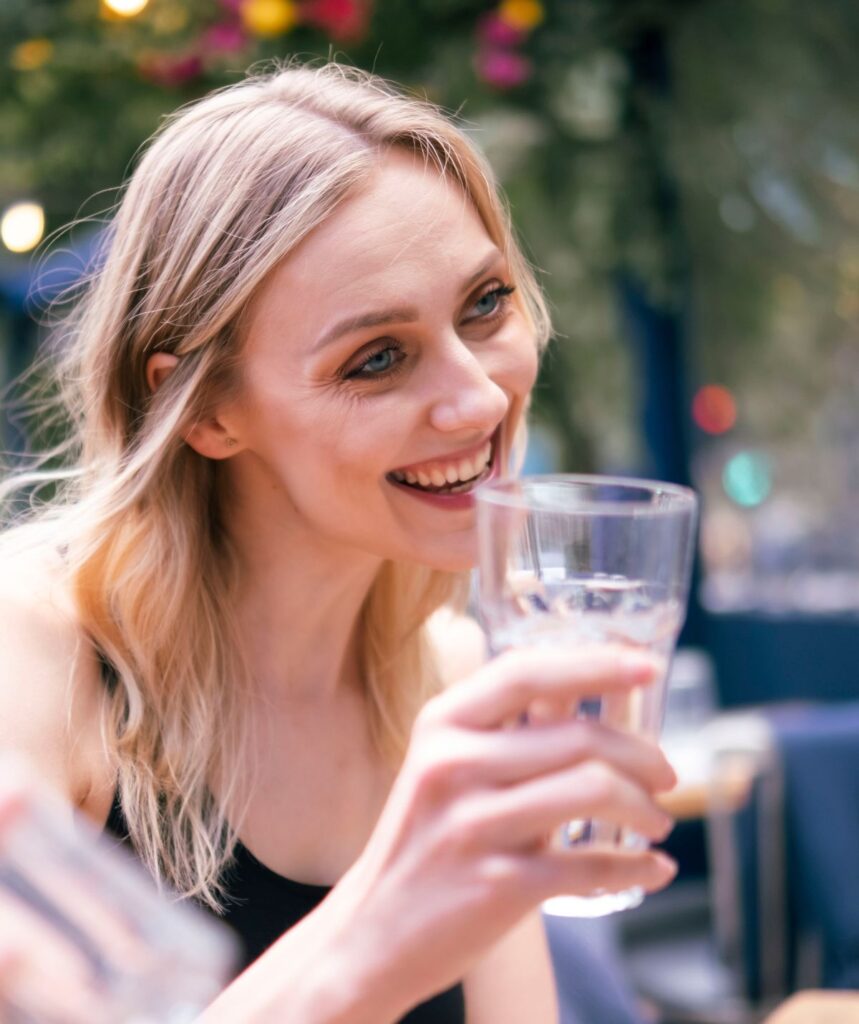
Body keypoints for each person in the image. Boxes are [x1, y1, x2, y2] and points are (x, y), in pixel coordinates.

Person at [0, 62, 678, 1023]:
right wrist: (374, 930)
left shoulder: (449, 670)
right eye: (376, 359)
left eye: (484, 305)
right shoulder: (36, 657)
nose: (480, 397)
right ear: (206, 411)